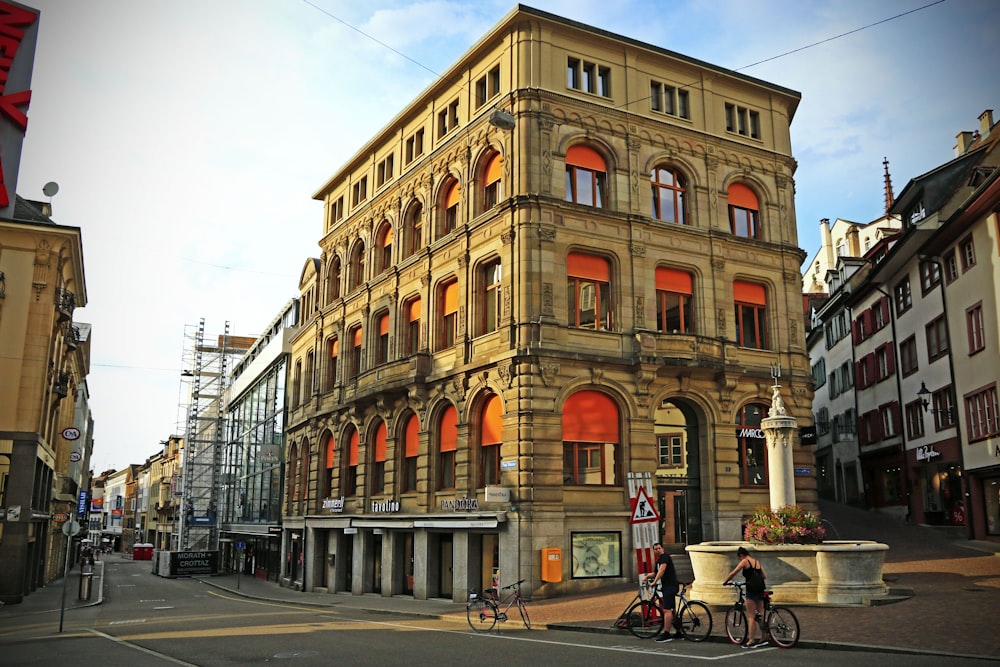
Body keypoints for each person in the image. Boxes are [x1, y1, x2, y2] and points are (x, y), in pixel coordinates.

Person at [723, 546, 768, 648]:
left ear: (741, 555)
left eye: (739, 558)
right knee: (761, 613)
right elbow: (764, 576)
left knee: (751, 616)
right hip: (760, 588)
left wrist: (725, 582)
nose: (740, 559)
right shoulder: (756, 562)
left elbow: (733, 572)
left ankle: (751, 640)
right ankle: (763, 637)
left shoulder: (745, 561)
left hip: (751, 589)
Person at [639, 542, 679, 642]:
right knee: (672, 609)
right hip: (667, 586)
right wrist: (647, 576)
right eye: (655, 549)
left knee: (667, 610)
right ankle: (679, 631)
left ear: (663, 549)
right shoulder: (659, 560)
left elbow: (662, 570)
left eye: (659, 548)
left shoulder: (664, 557)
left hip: (670, 586)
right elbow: (656, 572)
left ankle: (666, 633)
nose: (657, 550)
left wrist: (655, 582)